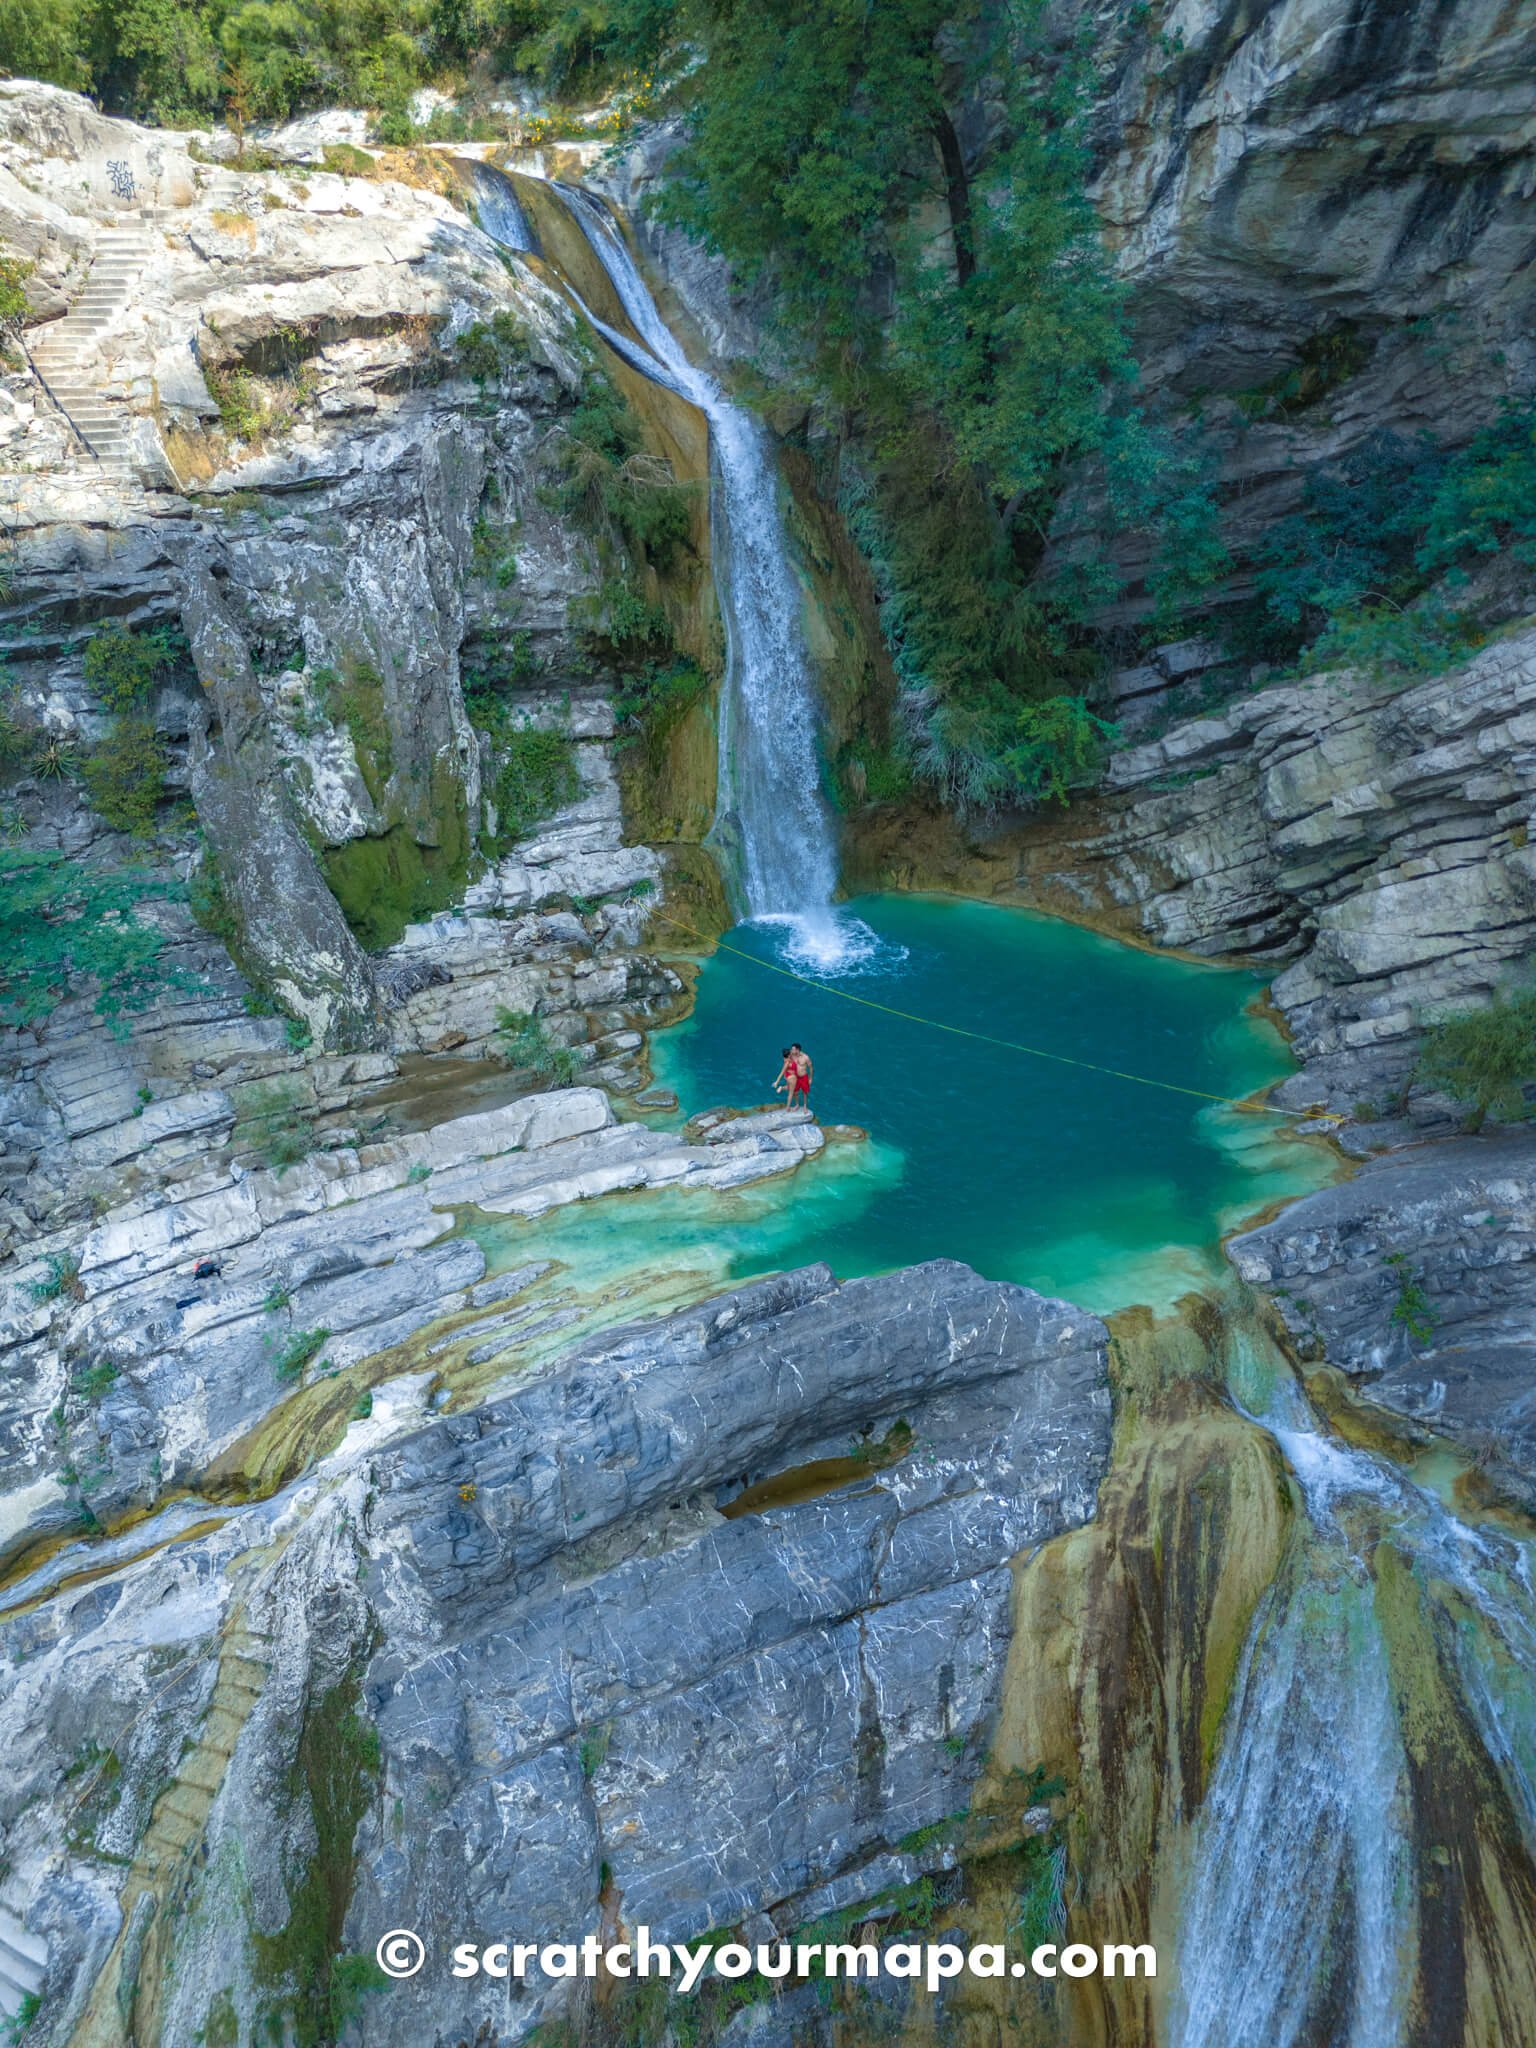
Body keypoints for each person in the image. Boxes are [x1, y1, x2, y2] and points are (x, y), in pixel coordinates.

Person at [789, 1042, 812, 1109]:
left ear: (797, 1050)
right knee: (795, 1092)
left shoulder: (806, 1057)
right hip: (795, 1077)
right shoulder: (791, 1055)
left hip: (803, 1077)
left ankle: (805, 1105)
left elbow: (811, 1068)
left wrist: (810, 1079)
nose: (791, 1050)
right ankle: (797, 1104)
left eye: (793, 1049)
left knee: (805, 1092)